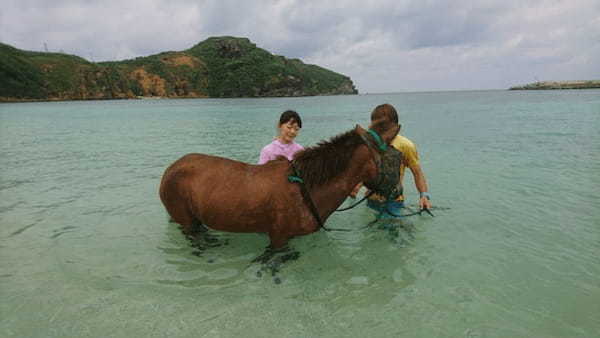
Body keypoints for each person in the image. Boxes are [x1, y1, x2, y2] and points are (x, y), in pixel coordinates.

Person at [353, 103, 432, 215]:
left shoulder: (406, 145)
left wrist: (424, 195)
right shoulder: (369, 144)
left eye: (383, 125)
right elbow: (368, 169)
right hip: (370, 201)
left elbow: (417, 173)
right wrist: (357, 185)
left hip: (393, 203)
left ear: (394, 126)